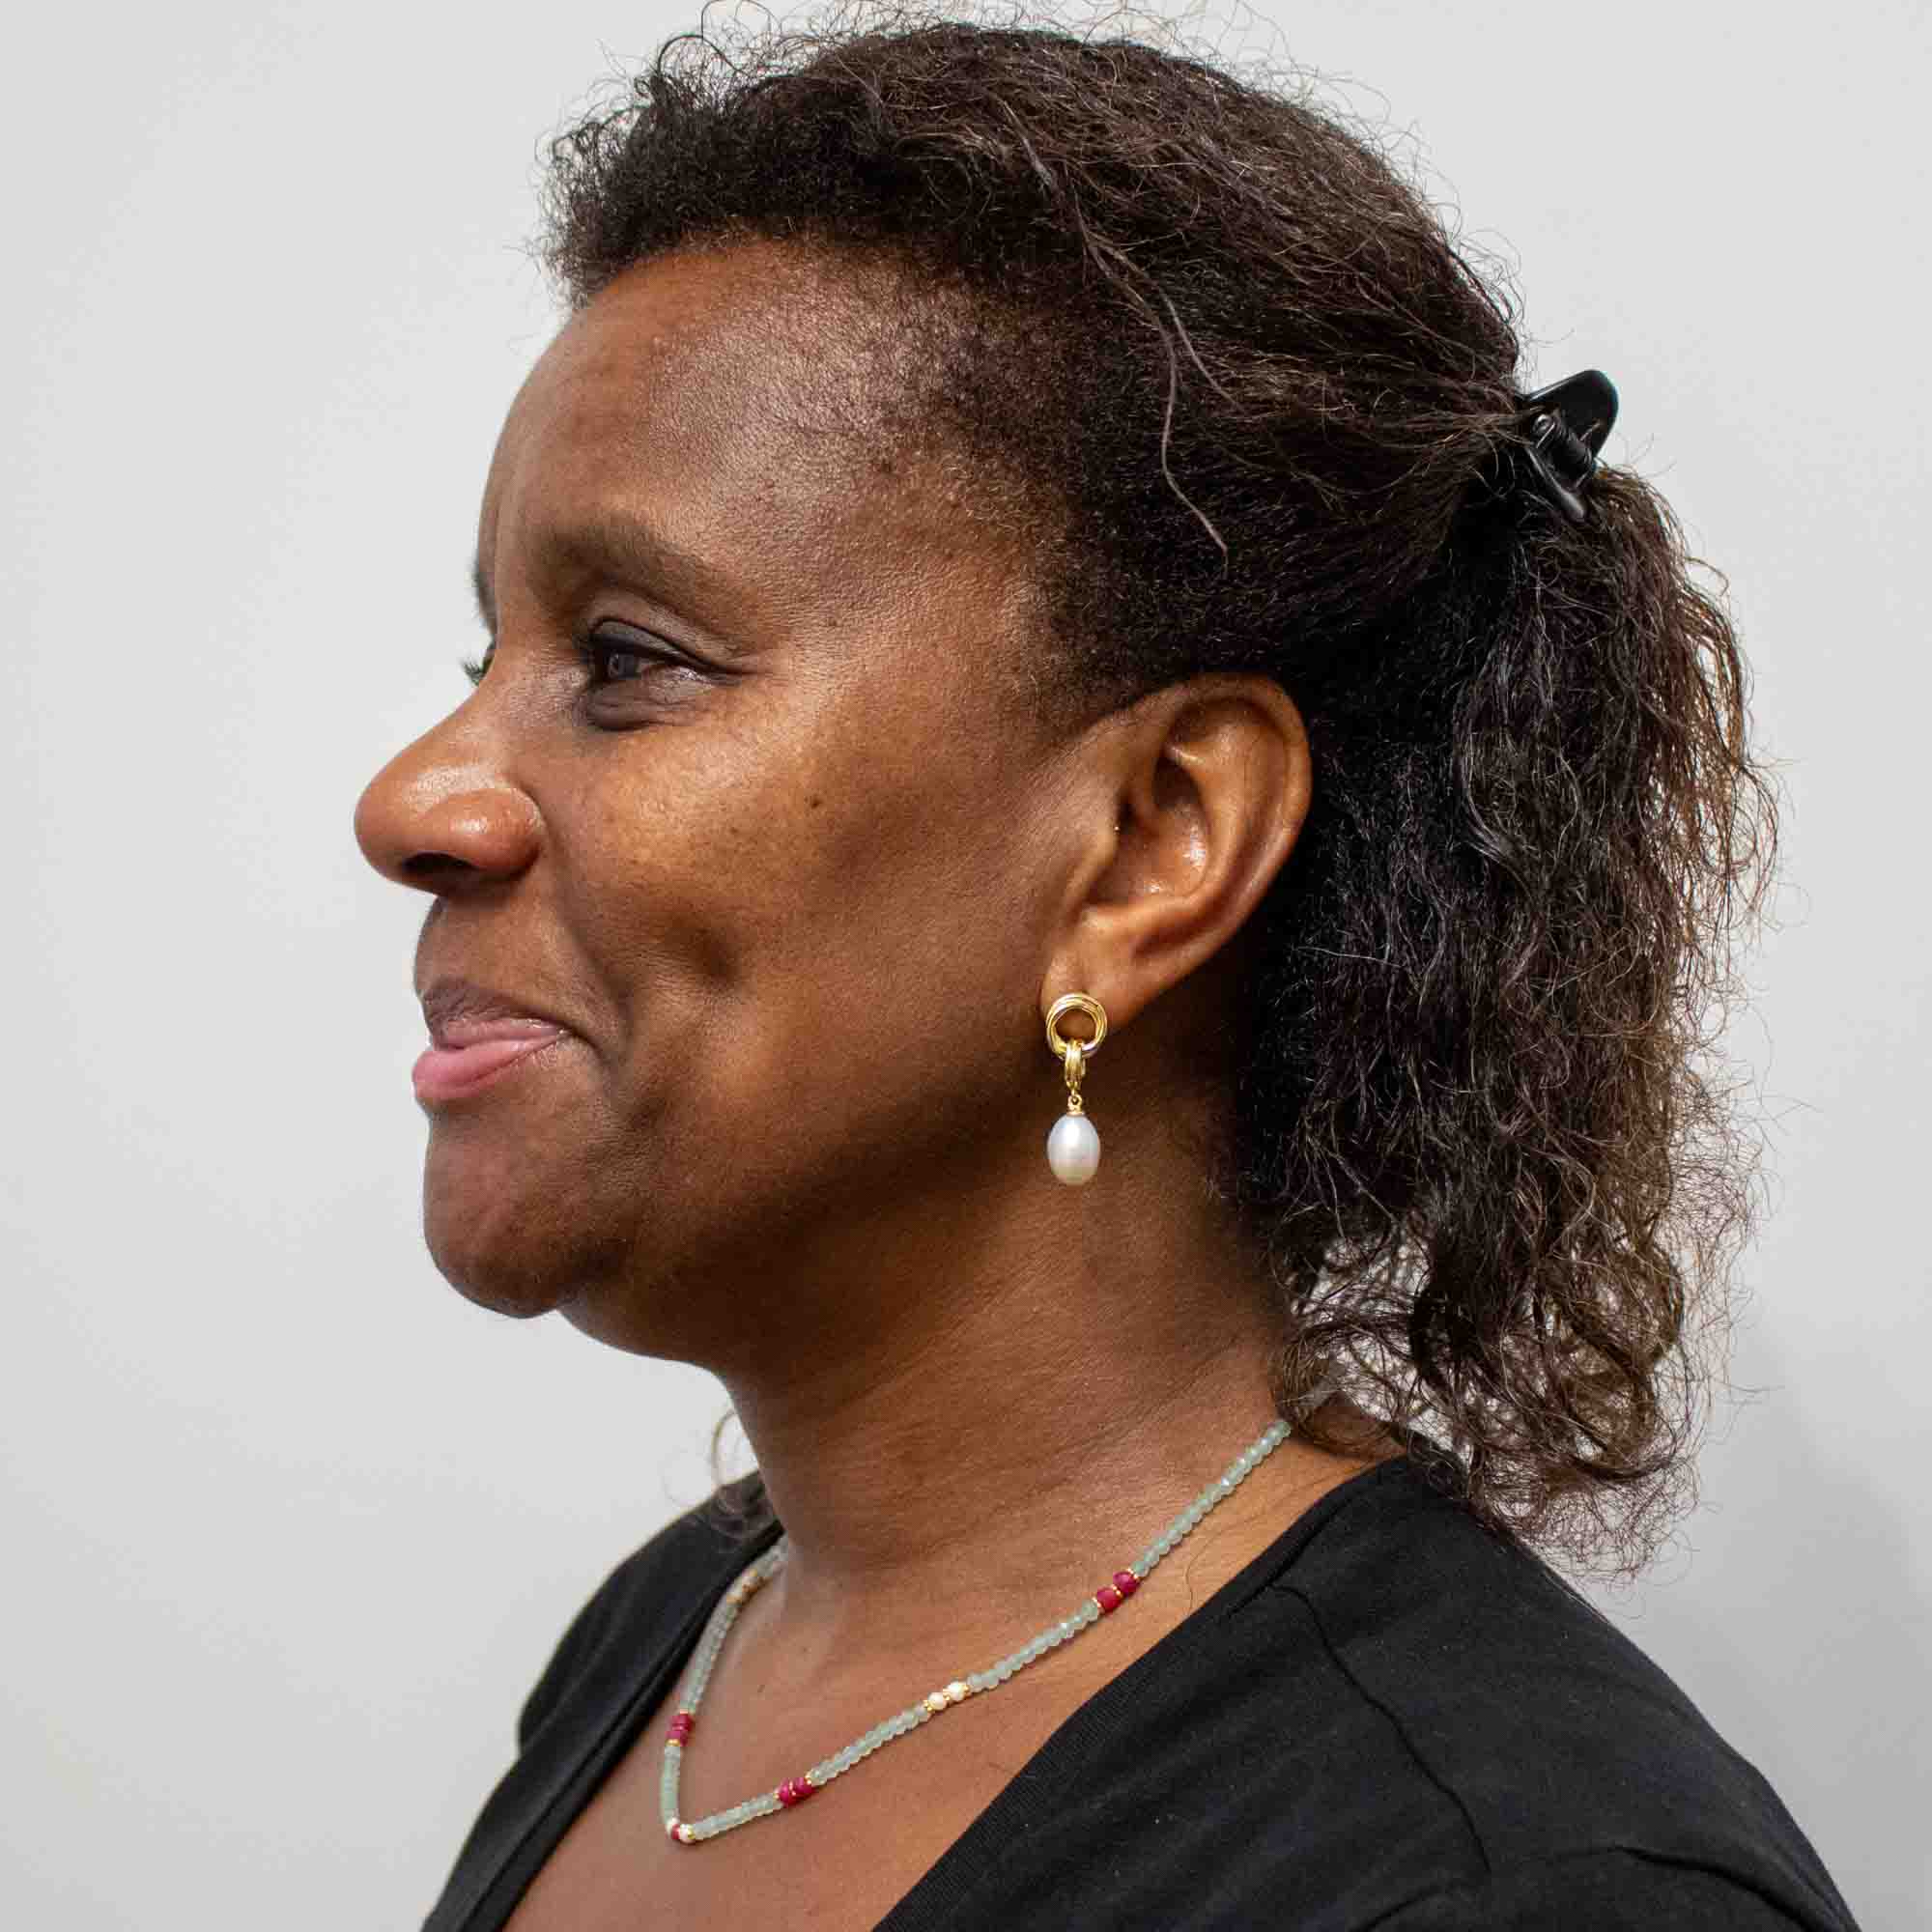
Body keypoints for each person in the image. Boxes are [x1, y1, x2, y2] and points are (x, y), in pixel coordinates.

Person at [353, 11, 1860, 1927]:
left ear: (1152, 841)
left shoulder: (1510, 1887)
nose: (418, 797)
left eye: (631, 658)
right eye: (478, 658)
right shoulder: (678, 1646)